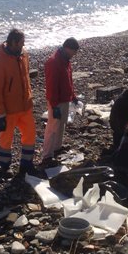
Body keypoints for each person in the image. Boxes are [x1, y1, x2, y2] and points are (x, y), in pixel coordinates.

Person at [0, 28, 37, 177]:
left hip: (25, 106)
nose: (24, 46)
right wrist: (0, 115)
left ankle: (26, 164)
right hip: (9, 109)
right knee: (6, 139)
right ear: (13, 43)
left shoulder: (24, 55)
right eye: (22, 43)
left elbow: (26, 78)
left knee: (30, 135)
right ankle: (4, 167)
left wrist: (29, 97)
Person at [42, 37, 80, 166]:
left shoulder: (66, 60)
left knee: (61, 124)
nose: (74, 55)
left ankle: (57, 147)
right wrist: (54, 105)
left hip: (65, 98)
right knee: (52, 126)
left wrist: (73, 96)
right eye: (74, 51)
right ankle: (47, 155)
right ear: (67, 48)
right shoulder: (53, 62)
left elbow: (69, 80)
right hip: (56, 101)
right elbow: (51, 86)